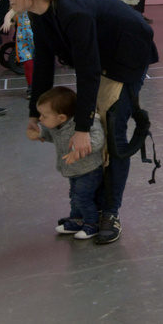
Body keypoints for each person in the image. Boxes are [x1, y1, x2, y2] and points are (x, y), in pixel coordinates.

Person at [9, 0, 158, 245]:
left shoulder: (73, 13)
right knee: (95, 130)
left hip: (127, 57)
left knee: (111, 134)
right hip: (101, 57)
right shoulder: (39, 12)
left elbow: (87, 72)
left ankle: (109, 212)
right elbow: (43, 63)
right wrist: (34, 115)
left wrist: (81, 128)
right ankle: (92, 208)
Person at [26, 87, 106, 240]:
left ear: (61, 117)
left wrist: (78, 150)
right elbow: (52, 135)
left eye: (44, 116)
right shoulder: (58, 125)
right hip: (73, 170)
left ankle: (92, 224)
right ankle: (77, 220)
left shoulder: (83, 124)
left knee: (83, 197)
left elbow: (98, 138)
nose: (40, 119)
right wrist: (39, 134)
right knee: (74, 196)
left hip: (88, 171)